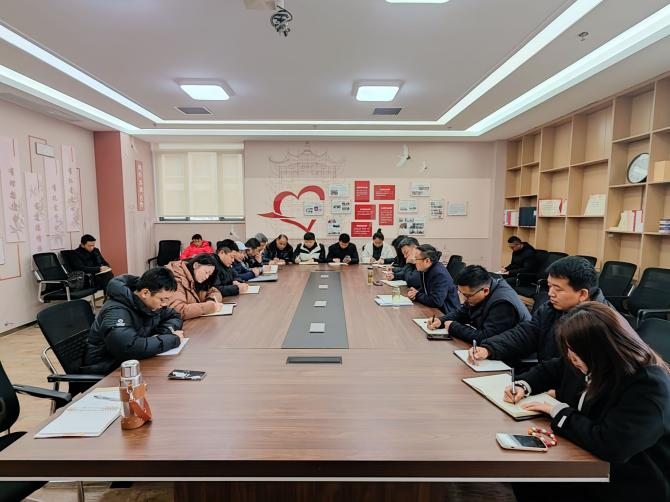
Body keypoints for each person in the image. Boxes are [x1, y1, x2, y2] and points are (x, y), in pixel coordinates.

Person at [506, 302, 670, 502]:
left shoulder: (648, 386)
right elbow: (553, 368)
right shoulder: (590, 361)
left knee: (534, 478)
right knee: (527, 475)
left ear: (603, 349)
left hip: (628, 478)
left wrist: (559, 411)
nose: (571, 358)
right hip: (585, 455)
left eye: (575, 352)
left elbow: (612, 445)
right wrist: (524, 385)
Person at [470, 256, 610, 367]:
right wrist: (489, 348)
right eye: (549, 286)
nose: (550, 293)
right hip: (548, 379)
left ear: (583, 294)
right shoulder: (550, 309)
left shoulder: (602, 324)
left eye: (558, 289)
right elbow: (525, 334)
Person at [82, 267, 183, 374]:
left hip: (131, 364)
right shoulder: (117, 310)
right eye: (162, 299)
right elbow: (128, 348)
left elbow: (174, 315)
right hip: (107, 370)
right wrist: (172, 339)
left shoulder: (151, 304)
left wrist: (164, 332)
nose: (165, 304)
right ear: (145, 293)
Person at [427, 265, 531, 343]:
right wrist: (441, 320)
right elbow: (463, 312)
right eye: (461, 293)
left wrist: (454, 327)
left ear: (485, 291)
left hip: (510, 355)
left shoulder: (503, 304)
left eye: (467, 296)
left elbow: (486, 337)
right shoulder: (483, 288)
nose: (464, 299)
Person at [165, 253, 224, 319]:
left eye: (209, 275)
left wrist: (211, 301)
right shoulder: (177, 279)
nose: (207, 277)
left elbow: (215, 292)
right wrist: (207, 307)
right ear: (195, 265)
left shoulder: (198, 279)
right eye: (206, 272)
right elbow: (178, 310)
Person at [407, 244, 459, 314]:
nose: (414, 261)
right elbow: (427, 290)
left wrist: (417, 295)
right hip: (435, 310)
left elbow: (436, 301)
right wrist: (416, 292)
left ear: (427, 260)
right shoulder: (425, 269)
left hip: (446, 313)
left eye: (416, 259)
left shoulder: (439, 274)